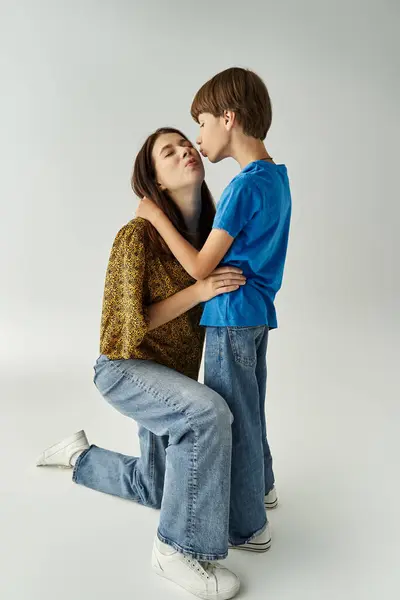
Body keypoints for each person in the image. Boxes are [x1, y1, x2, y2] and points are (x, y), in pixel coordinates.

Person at [36, 127, 247, 600]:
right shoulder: (136, 236)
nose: (185, 152)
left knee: (157, 488)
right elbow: (124, 331)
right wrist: (200, 290)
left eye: (186, 144)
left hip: (171, 377)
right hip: (125, 368)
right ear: (154, 180)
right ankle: (176, 549)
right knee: (208, 414)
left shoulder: (211, 237)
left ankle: (78, 455)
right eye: (167, 153)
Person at [136, 67, 292, 553]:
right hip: (259, 312)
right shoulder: (276, 177)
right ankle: (261, 487)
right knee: (251, 408)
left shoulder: (242, 187)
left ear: (228, 118)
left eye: (200, 123)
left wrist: (157, 216)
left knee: (234, 418)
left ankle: (248, 527)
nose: (197, 138)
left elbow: (203, 267)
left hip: (230, 315)